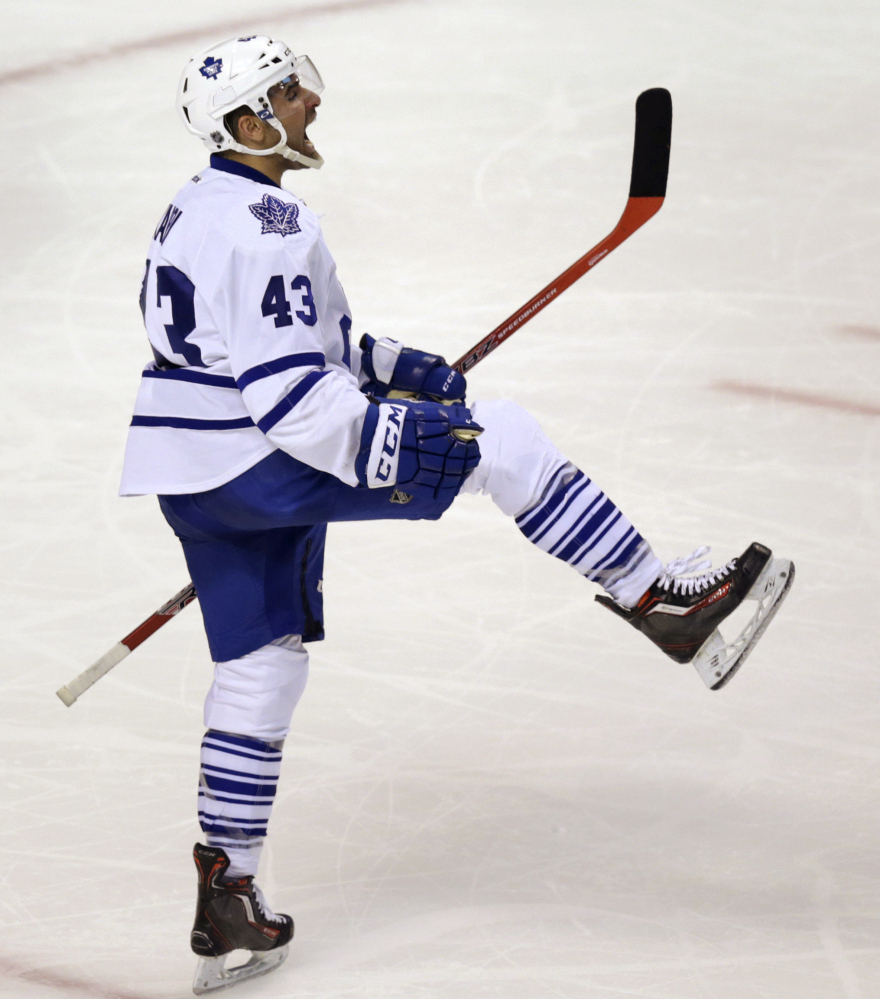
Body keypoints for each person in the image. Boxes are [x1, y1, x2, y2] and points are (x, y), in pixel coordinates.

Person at [119, 35, 794, 995]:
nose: (309, 105)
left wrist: (393, 367)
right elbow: (292, 400)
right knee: (503, 441)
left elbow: (302, 335)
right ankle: (664, 603)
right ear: (246, 122)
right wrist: (405, 442)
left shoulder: (200, 205)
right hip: (263, 457)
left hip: (190, 470)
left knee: (260, 665)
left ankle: (227, 893)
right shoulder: (269, 223)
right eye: (287, 96)